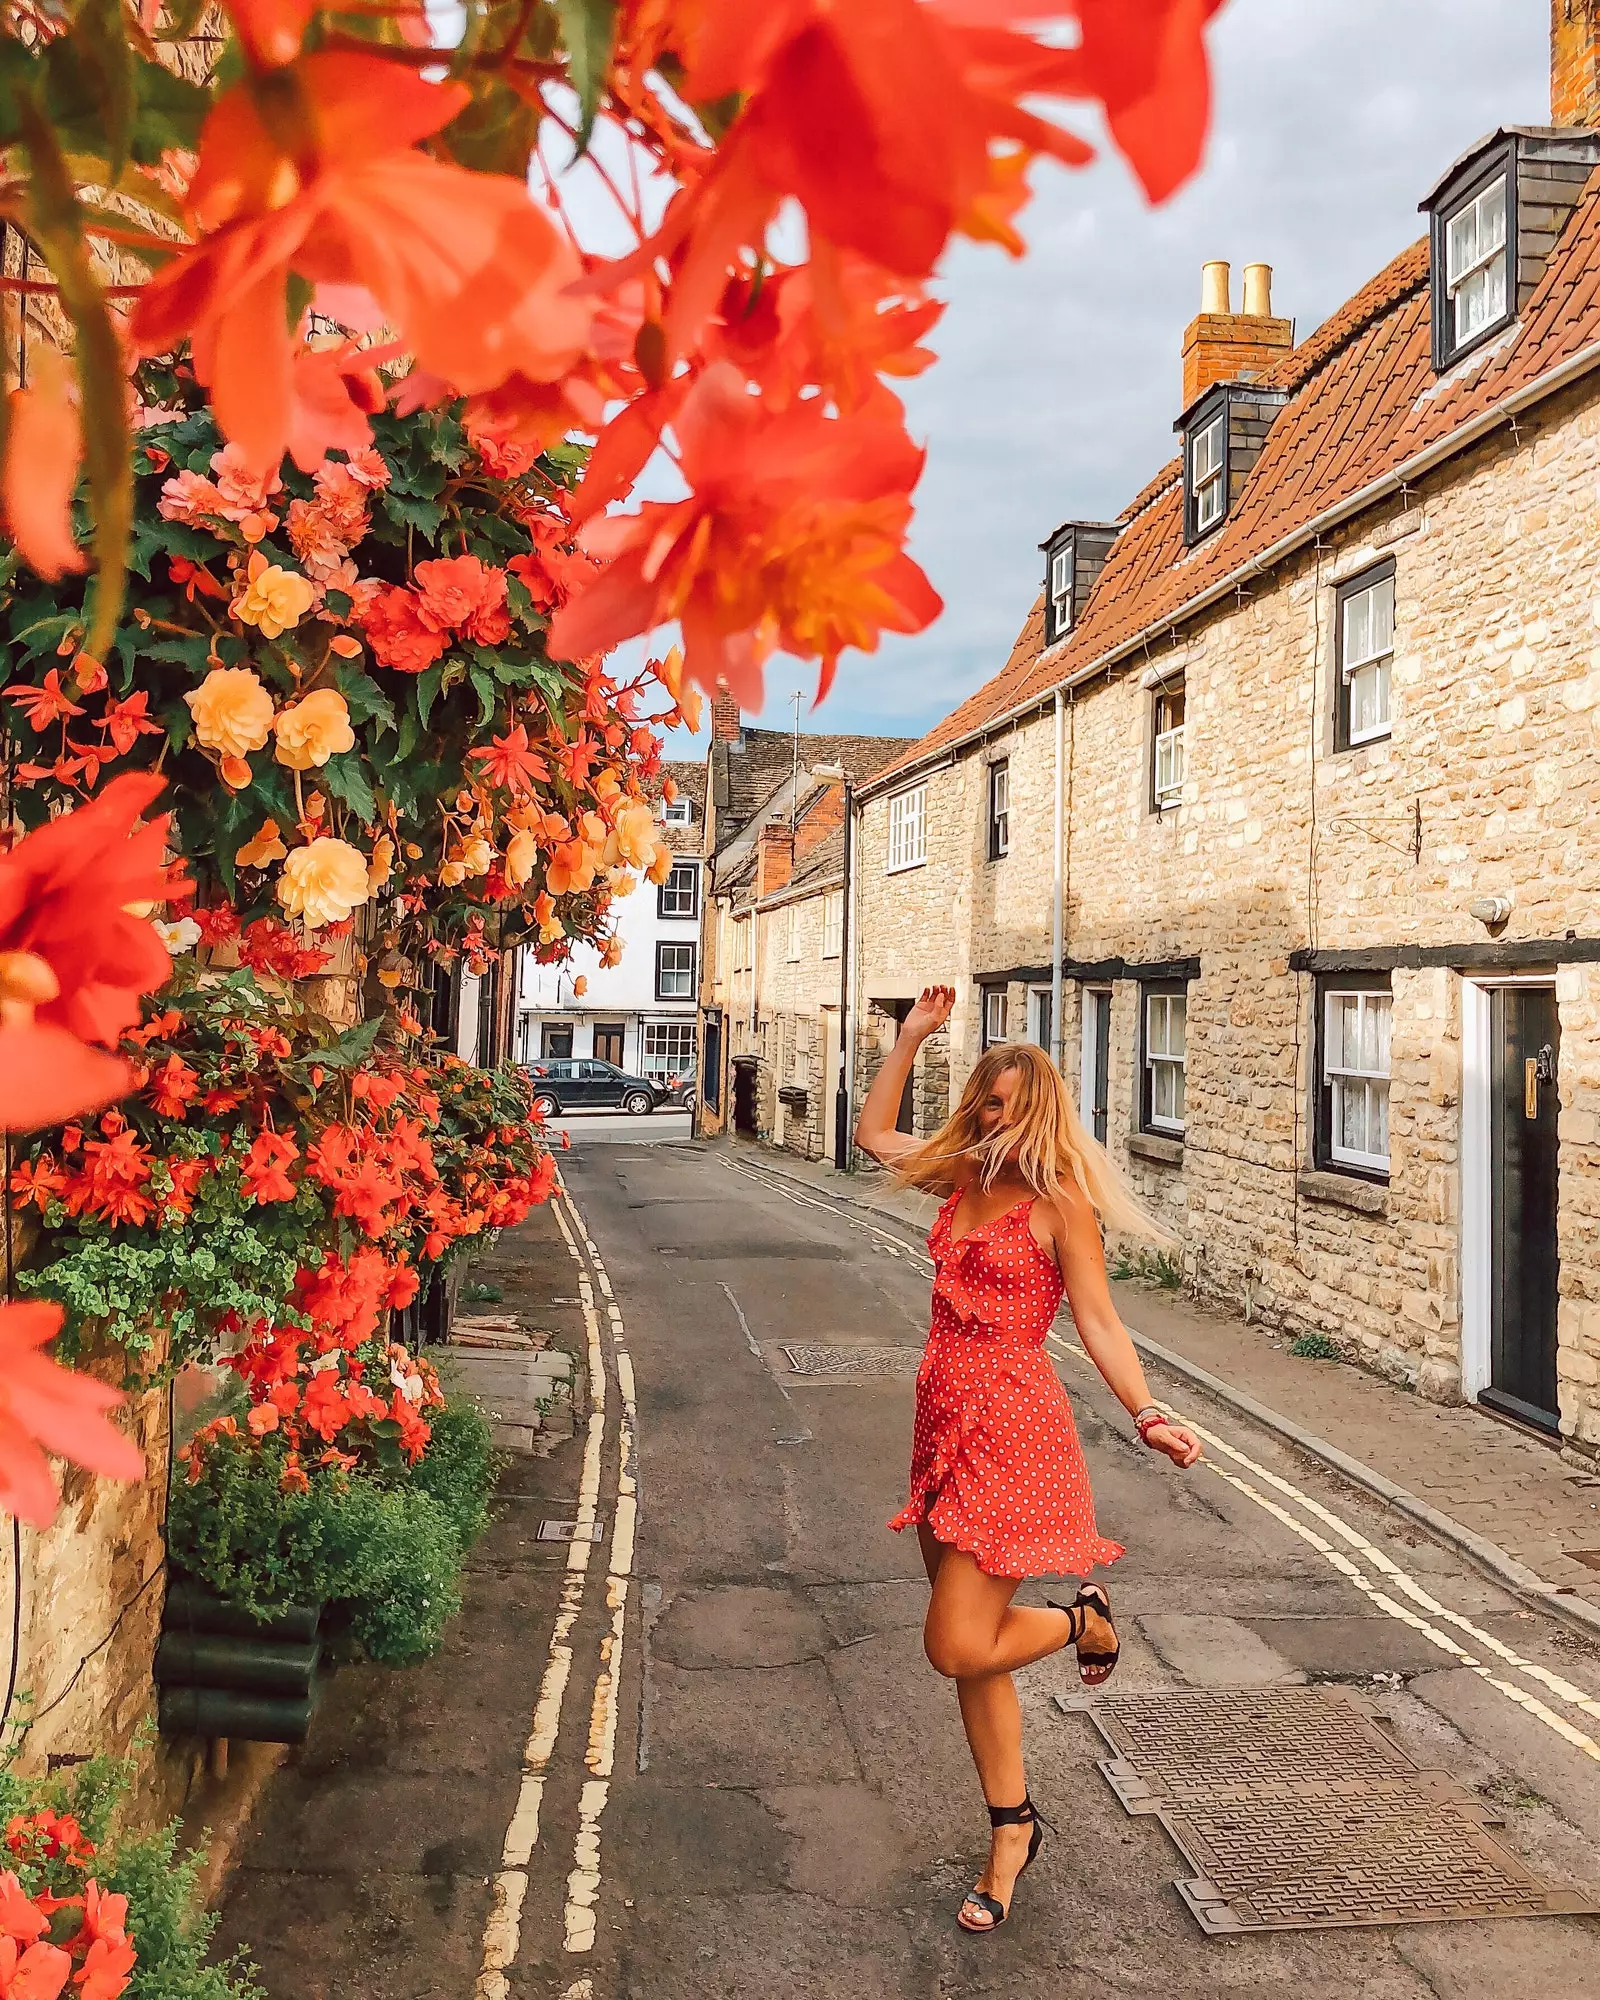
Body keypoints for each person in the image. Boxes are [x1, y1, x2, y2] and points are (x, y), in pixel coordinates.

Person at [854, 985, 1202, 1935]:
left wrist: (1147, 1411)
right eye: (980, 1100)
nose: (985, 1114)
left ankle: (1079, 1615)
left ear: (1036, 1107)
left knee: (958, 1642)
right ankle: (1012, 1829)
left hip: (1012, 1430)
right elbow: (872, 1136)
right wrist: (911, 1038)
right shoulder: (962, 1175)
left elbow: (1097, 1320)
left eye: (1000, 1103)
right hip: (940, 1423)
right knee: (974, 1660)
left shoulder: (1058, 1207)